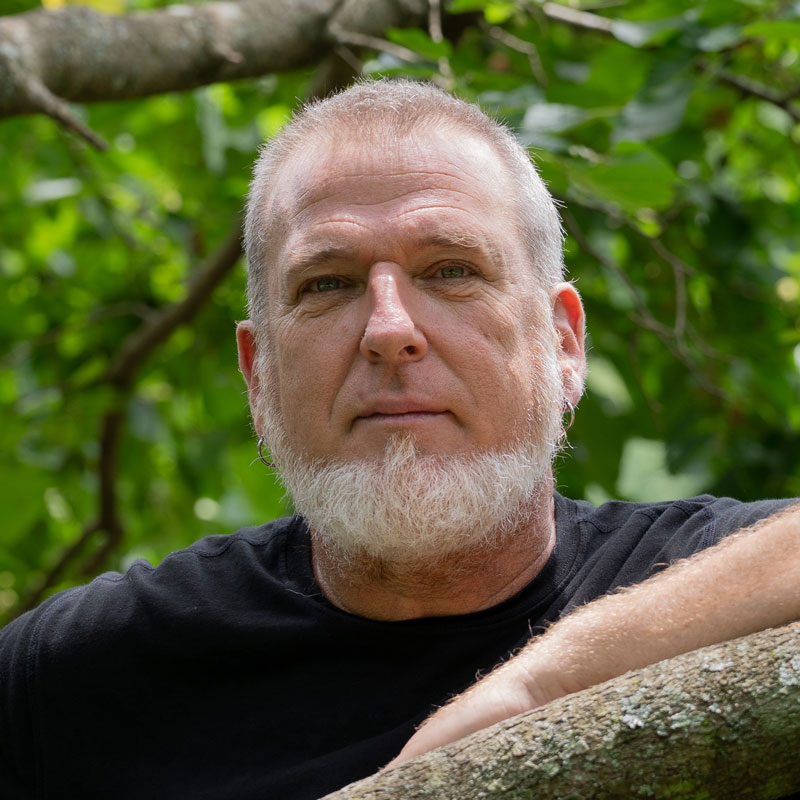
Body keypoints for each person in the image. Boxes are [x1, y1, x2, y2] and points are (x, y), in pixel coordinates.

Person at [1, 79, 798, 800]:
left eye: (451, 270)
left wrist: (531, 696)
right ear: (258, 373)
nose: (389, 330)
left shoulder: (713, 585)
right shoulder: (89, 673)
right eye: (328, 284)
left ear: (564, 344)